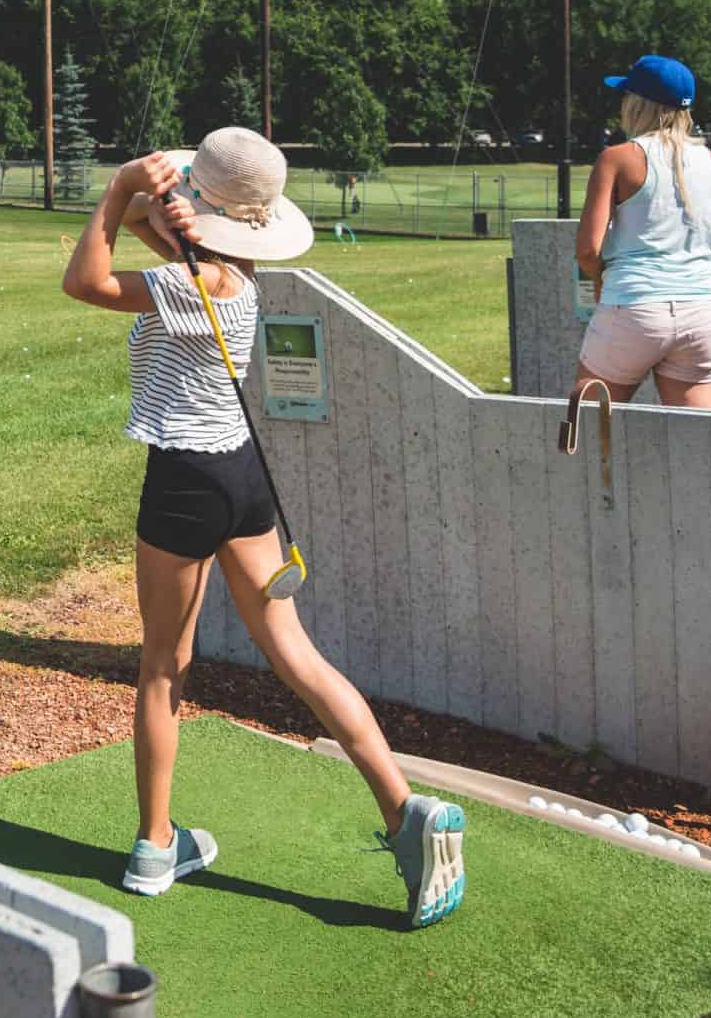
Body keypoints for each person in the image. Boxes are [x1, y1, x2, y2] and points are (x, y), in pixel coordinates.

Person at [59, 127, 467, 927]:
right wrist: (161, 201)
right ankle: (402, 809)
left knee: (161, 665)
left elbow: (85, 279)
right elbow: (156, 228)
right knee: (295, 654)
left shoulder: (191, 281)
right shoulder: (230, 271)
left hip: (183, 479)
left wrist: (115, 192)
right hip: (242, 476)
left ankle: (152, 845)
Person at [573, 56, 711, 408]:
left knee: (588, 431)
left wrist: (600, 280)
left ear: (637, 103)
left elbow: (587, 249)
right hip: (702, 310)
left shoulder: (617, 158)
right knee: (695, 440)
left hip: (633, 305)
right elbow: (704, 237)